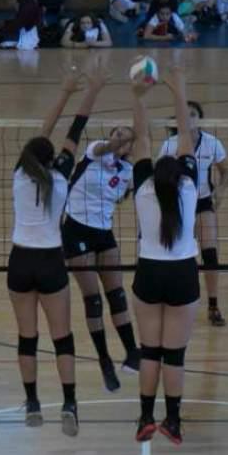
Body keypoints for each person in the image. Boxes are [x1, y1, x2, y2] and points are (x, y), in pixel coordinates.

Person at [7, 67, 106, 434]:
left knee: (27, 337)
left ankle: (32, 401)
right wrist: (90, 91)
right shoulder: (62, 178)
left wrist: (64, 91)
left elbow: (43, 134)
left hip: (20, 262)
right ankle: (69, 403)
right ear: (52, 160)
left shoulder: (19, 175)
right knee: (62, 337)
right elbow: (74, 132)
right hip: (50, 261)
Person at [128, 66, 199, 444]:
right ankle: (173, 421)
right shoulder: (188, 189)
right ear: (181, 175)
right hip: (183, 274)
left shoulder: (142, 189)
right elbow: (186, 135)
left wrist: (138, 97)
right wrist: (179, 90)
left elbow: (141, 137)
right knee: (175, 354)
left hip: (149, 274)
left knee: (149, 350)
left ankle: (144, 417)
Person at [63, 123, 142, 392]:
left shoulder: (128, 172)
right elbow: (109, 147)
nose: (122, 141)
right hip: (76, 231)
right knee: (93, 299)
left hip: (103, 233)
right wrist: (117, 143)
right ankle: (104, 360)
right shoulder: (95, 150)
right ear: (110, 136)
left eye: (128, 140)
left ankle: (132, 353)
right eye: (119, 135)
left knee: (117, 294)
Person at [158, 101, 228, 328]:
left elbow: (226, 171)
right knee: (174, 253)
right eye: (184, 114)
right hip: (177, 205)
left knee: (209, 253)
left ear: (200, 118)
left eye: (193, 114)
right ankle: (169, 300)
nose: (189, 118)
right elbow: (159, 176)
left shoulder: (212, 143)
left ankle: (213, 305)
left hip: (202, 203)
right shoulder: (169, 145)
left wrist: (219, 191)